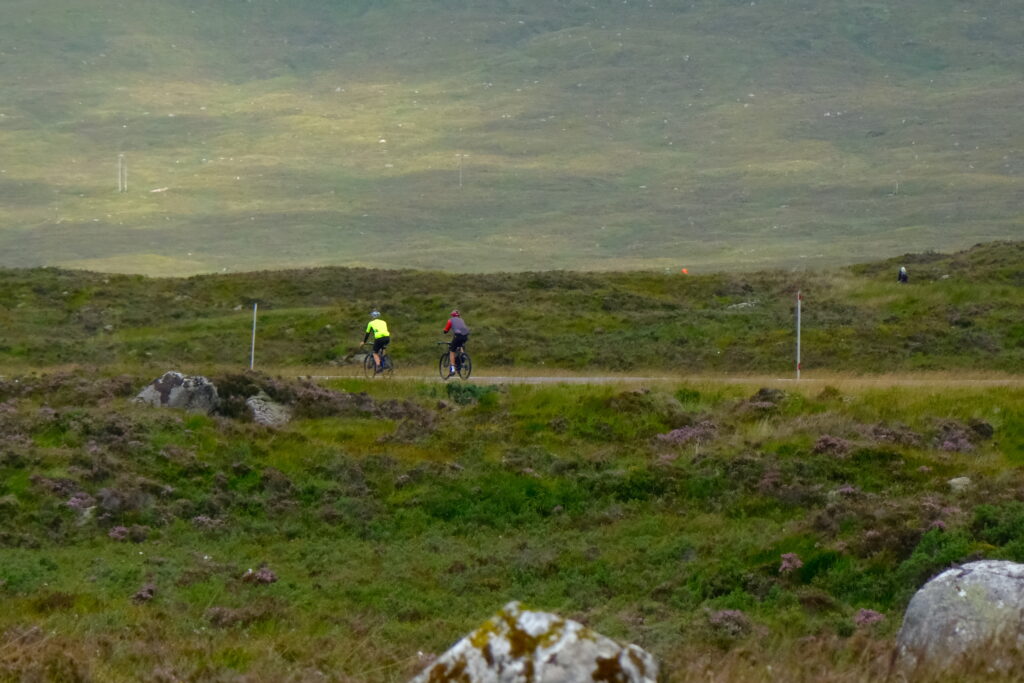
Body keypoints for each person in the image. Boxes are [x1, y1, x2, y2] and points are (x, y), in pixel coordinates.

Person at [443, 309, 470, 377]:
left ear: (452, 315)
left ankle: (452, 369)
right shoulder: (462, 320)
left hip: (458, 336)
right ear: (458, 315)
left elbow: (446, 330)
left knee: (452, 351)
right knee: (460, 345)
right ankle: (463, 355)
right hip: (465, 336)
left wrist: (445, 331)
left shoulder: (450, 320)